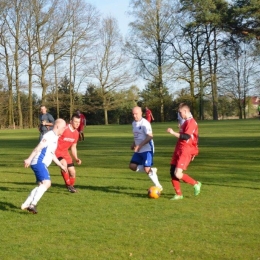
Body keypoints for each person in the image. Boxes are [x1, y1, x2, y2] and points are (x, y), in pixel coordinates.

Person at [21, 119, 67, 214]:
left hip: (41, 163)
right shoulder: (49, 136)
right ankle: (32, 205)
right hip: (38, 162)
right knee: (47, 183)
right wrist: (29, 159)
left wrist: (60, 165)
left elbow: (51, 153)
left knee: (41, 185)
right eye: (63, 128)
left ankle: (26, 204)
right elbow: (38, 148)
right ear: (57, 126)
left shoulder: (55, 137)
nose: (64, 130)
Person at [167, 103, 201, 200]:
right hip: (179, 148)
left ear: (185, 111)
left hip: (186, 150)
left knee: (178, 173)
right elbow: (196, 137)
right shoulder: (185, 122)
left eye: (180, 112)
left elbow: (186, 137)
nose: (179, 114)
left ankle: (196, 184)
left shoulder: (191, 122)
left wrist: (173, 132)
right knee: (172, 171)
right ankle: (178, 194)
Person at [129, 106, 163, 191]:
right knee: (132, 166)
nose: (134, 116)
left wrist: (139, 146)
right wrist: (134, 144)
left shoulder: (145, 123)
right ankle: (151, 170)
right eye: (133, 114)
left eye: (136, 114)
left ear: (141, 113)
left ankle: (158, 186)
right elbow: (137, 136)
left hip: (147, 149)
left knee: (146, 168)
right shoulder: (134, 123)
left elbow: (150, 137)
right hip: (138, 149)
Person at [55, 113, 82, 193]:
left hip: (65, 153)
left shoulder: (76, 133)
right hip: (56, 151)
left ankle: (71, 187)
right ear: (71, 121)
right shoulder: (64, 128)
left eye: (79, 122)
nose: (77, 124)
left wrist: (76, 158)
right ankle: (69, 186)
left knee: (73, 172)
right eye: (75, 122)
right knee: (64, 164)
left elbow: (73, 147)